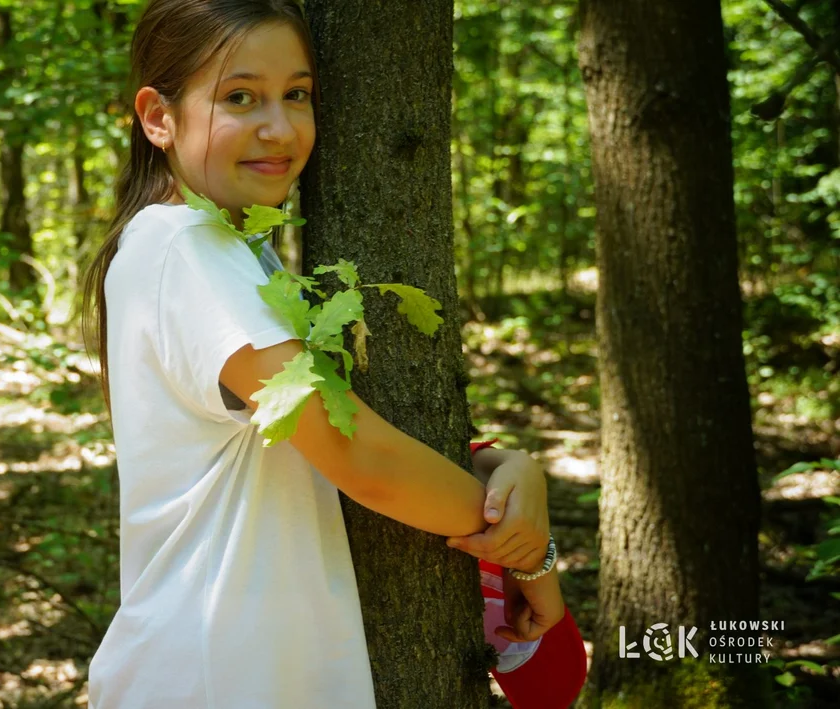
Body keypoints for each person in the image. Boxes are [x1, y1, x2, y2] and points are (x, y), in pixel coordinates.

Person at [78, 1, 587, 706]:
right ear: (158, 116)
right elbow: (363, 458)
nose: (280, 128)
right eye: (239, 96)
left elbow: (312, 437)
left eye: (297, 94)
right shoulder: (185, 247)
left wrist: (505, 466)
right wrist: (530, 554)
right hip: (214, 677)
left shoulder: (222, 255)